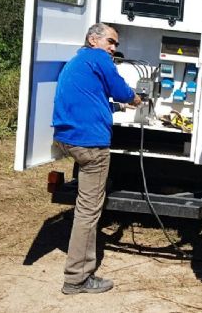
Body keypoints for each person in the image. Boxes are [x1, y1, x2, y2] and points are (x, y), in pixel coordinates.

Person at [53, 23, 141, 295]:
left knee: (84, 206)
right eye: (111, 42)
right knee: (88, 211)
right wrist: (135, 99)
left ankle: (78, 272)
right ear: (93, 39)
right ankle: (76, 278)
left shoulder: (78, 61)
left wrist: (114, 105)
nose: (114, 48)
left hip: (68, 138)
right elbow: (122, 90)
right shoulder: (98, 58)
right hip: (91, 144)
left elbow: (94, 96)